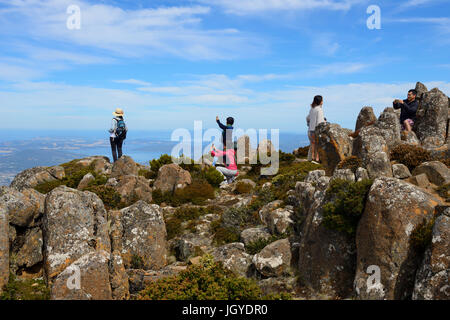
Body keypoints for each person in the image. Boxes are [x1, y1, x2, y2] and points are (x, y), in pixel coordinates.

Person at [307, 95, 325, 164]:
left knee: (312, 144)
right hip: (316, 130)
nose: (323, 102)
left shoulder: (312, 109)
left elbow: (307, 118)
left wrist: (309, 124)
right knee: (318, 145)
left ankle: (311, 158)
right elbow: (320, 122)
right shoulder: (319, 110)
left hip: (310, 130)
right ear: (320, 101)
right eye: (322, 100)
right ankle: (317, 159)